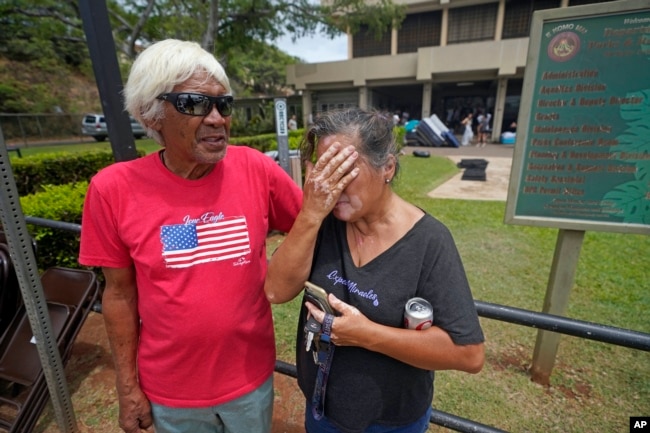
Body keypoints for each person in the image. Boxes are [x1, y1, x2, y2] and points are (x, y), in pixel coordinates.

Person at [79, 39, 303, 433]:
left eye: (223, 104)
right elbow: (119, 294)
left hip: (249, 380)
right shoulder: (112, 189)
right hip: (169, 391)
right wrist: (127, 385)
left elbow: (311, 225)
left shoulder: (255, 168)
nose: (217, 118)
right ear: (152, 113)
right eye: (195, 104)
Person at [264, 108, 485, 433]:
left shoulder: (429, 241)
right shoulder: (323, 222)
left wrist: (366, 335)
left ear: (388, 168)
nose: (333, 187)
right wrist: (310, 214)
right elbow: (276, 290)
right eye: (326, 172)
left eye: (345, 171)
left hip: (390, 421)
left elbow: (468, 353)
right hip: (322, 408)